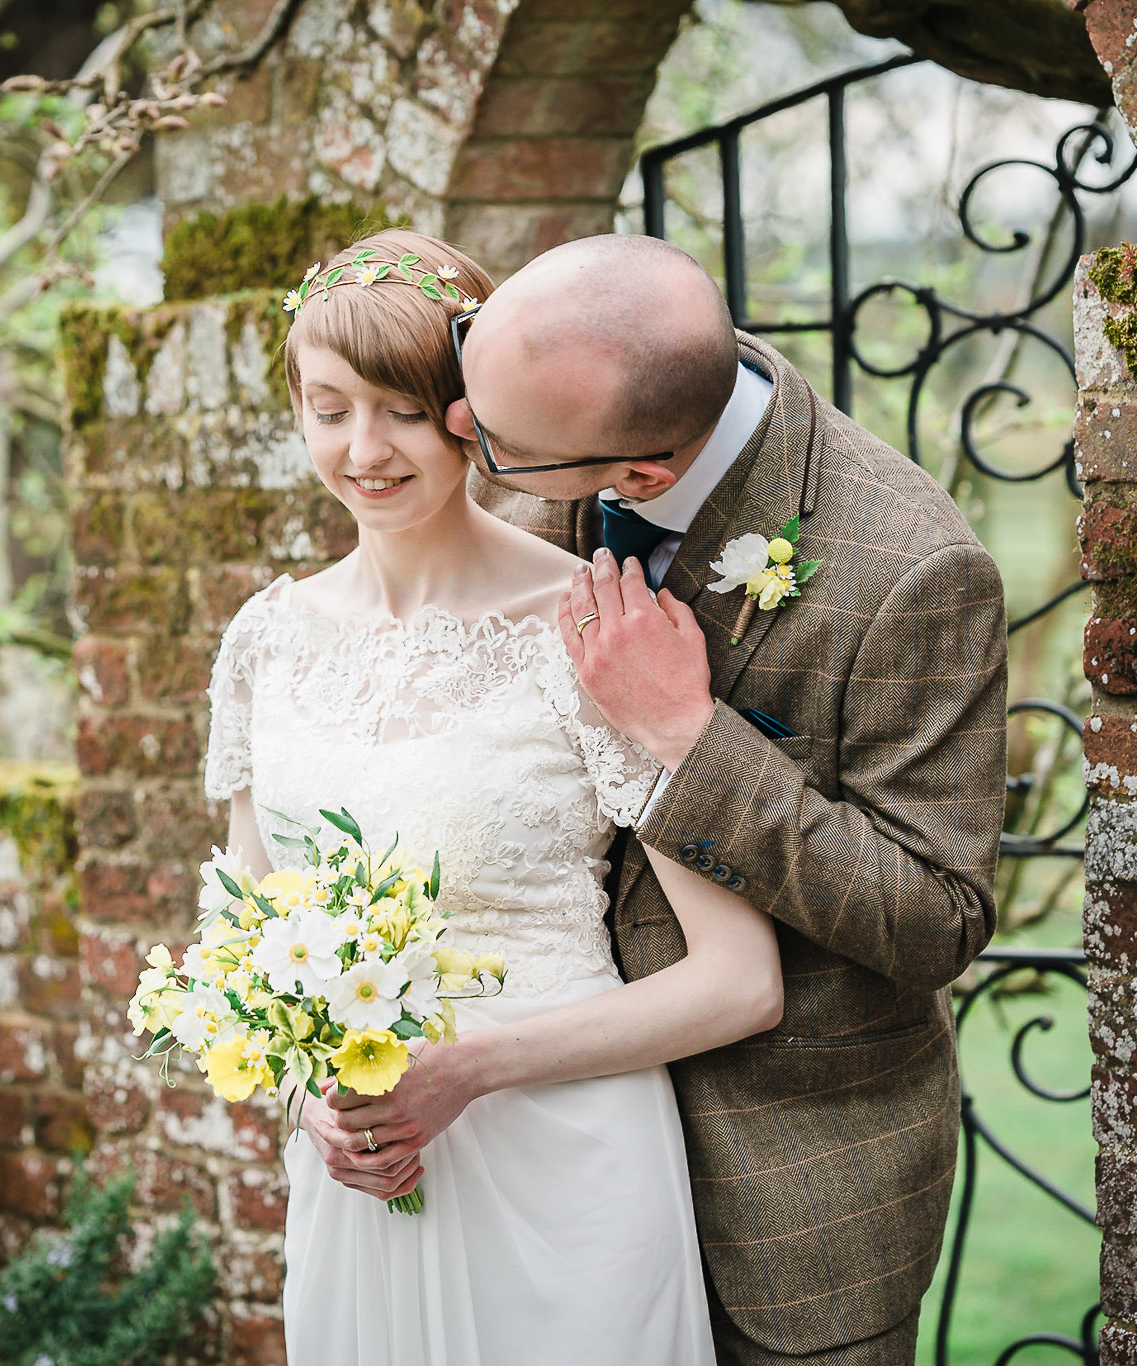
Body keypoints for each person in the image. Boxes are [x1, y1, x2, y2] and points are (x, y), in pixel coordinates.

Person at [386, 232, 1004, 1366]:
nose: (461, 431)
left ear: (641, 476)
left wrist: (689, 735)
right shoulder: (544, 450)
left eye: (503, 446)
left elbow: (934, 920)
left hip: (782, 1195)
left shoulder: (910, 568)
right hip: (549, 1156)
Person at [205, 228, 787, 1366]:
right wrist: (310, 1097)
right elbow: (243, 935)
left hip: (561, 1174)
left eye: (403, 411)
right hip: (363, 1180)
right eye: (327, 408)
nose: (361, 449)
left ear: (468, 415)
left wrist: (467, 1068)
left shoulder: (589, 626)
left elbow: (738, 980)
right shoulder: (263, 641)